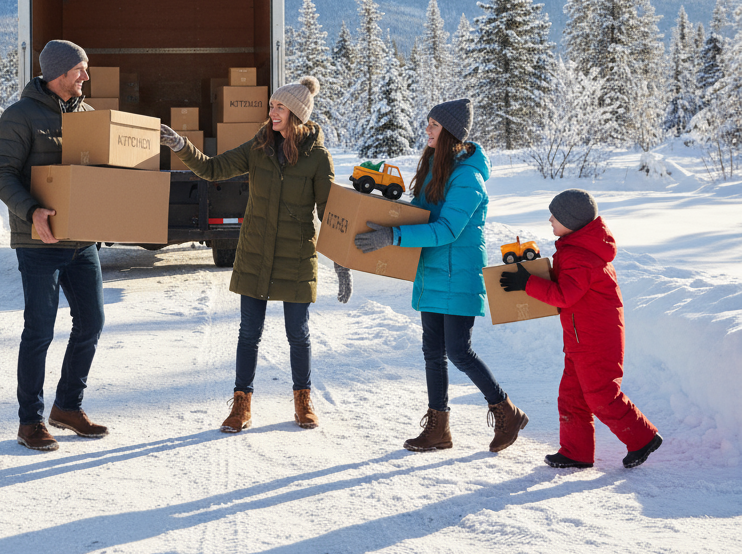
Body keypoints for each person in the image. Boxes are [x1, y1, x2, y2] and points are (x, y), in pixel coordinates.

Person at [160, 76, 350, 432]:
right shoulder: (258, 147)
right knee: (249, 333)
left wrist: (342, 261)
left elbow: (329, 213)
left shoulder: (318, 158)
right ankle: (241, 405)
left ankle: (303, 401)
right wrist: (182, 145)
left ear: (295, 114)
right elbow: (213, 168)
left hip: (296, 256)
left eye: (279, 107)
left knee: (298, 334)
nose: (271, 112)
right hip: (256, 253)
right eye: (271, 106)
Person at [355, 98, 527, 454]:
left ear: (449, 132)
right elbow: (420, 213)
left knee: (458, 351)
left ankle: (506, 411)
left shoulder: (468, 177)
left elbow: (448, 229)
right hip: (432, 271)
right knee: (432, 351)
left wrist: (395, 236)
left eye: (434, 125)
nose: (427, 131)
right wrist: (377, 221)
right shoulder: (436, 165)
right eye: (428, 123)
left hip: (458, 273)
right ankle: (439, 428)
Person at [0, 39, 109, 452]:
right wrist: (32, 211)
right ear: (60, 73)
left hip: (83, 242)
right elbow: (1, 174)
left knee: (91, 322)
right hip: (39, 243)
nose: (86, 77)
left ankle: (68, 407)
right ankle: (30, 422)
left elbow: (98, 174)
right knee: (39, 332)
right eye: (81, 70)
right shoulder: (20, 116)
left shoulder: (89, 116)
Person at [501, 189, 662, 469]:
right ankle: (576, 452)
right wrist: (535, 271)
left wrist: (527, 283)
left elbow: (564, 295)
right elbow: (569, 287)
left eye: (556, 216)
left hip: (596, 339)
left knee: (601, 395)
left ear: (572, 222)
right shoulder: (575, 248)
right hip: (580, 337)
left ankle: (642, 438)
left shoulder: (580, 256)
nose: (550, 219)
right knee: (572, 395)